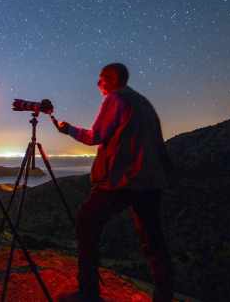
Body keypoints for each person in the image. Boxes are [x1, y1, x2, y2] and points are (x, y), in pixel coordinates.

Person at [52, 63, 174, 302]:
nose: (98, 83)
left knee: (86, 222)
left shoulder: (116, 99)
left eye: (101, 79)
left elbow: (96, 136)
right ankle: (164, 295)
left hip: (123, 180)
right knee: (153, 239)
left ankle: (88, 293)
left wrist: (68, 130)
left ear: (113, 79)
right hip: (151, 181)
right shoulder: (144, 103)